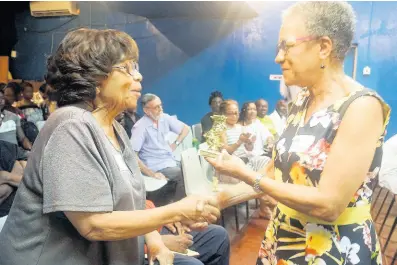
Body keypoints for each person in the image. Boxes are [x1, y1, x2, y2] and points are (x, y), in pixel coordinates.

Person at [0, 28, 220, 265]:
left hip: (113, 253)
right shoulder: (71, 125)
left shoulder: (114, 129)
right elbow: (92, 224)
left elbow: (130, 204)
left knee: (213, 239)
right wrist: (176, 211)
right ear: (95, 77)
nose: (139, 77)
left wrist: (155, 238)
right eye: (128, 68)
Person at [206, 2, 390, 264]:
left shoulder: (361, 107)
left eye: (286, 46)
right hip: (283, 240)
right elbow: (275, 173)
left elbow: (328, 204)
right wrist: (223, 197)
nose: (278, 57)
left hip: (332, 248)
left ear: (323, 47)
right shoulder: (301, 102)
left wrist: (244, 172)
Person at [131, 93, 190, 205]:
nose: (160, 109)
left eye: (161, 105)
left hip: (170, 161)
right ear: (146, 110)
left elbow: (185, 129)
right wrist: (152, 174)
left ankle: (179, 206)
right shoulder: (140, 127)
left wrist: (175, 144)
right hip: (155, 166)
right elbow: (132, 156)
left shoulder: (164, 118)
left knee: (190, 168)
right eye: (156, 107)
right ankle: (177, 210)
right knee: (182, 174)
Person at [145, 200, 230, 265]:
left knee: (218, 236)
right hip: (138, 244)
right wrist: (160, 241)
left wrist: (165, 218)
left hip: (151, 225)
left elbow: (141, 206)